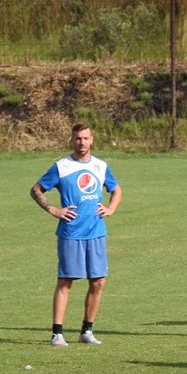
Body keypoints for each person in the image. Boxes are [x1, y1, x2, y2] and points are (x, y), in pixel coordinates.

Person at [31, 123, 122, 346]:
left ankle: (86, 331)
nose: (82, 142)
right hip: (71, 233)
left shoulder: (100, 166)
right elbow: (36, 189)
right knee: (65, 281)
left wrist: (110, 209)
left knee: (98, 282)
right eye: (78, 138)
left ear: (92, 140)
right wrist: (53, 209)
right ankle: (57, 334)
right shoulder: (62, 167)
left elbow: (116, 189)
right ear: (72, 140)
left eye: (86, 138)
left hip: (96, 232)